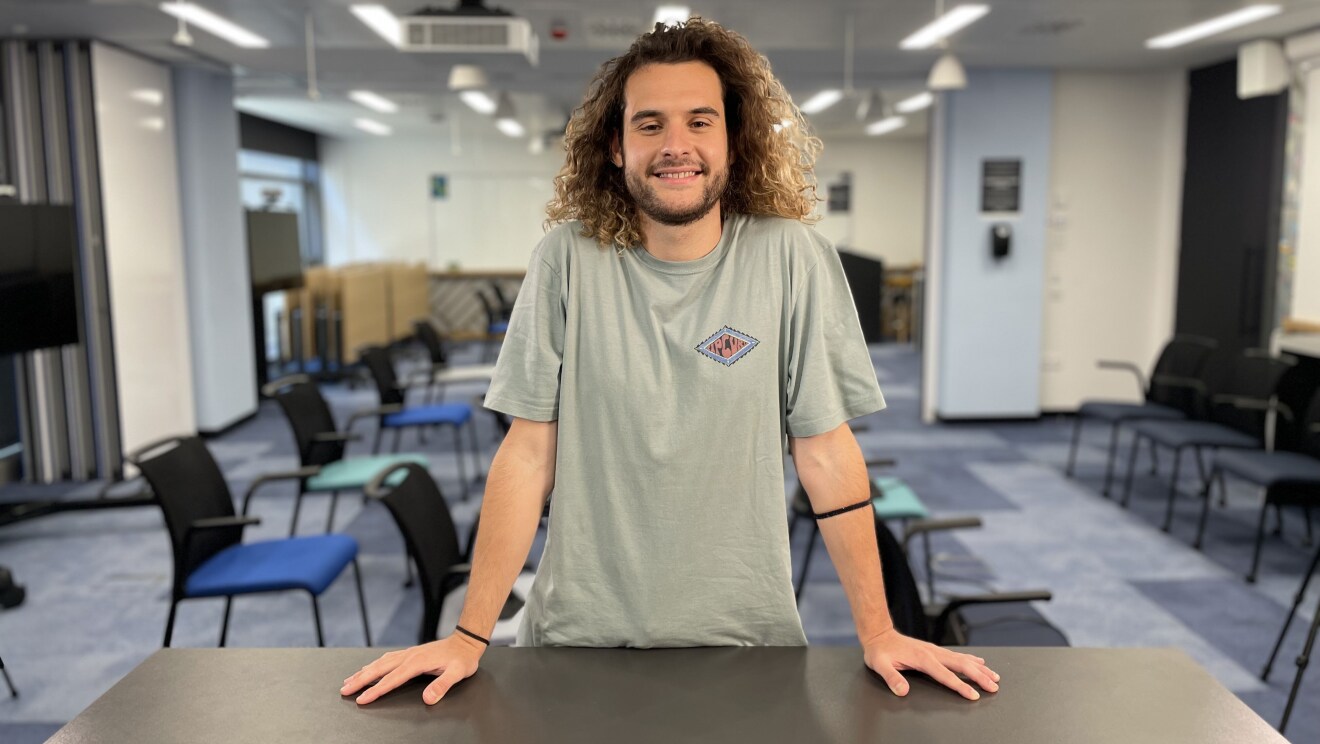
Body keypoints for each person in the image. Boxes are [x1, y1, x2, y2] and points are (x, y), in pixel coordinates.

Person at [342, 17, 1000, 706]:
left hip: (748, 641)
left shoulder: (793, 259)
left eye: (699, 121)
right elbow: (529, 452)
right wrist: (469, 635)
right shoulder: (566, 259)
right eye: (650, 124)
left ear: (734, 142)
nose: (676, 145)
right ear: (615, 147)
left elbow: (827, 453)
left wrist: (880, 632)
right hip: (577, 639)